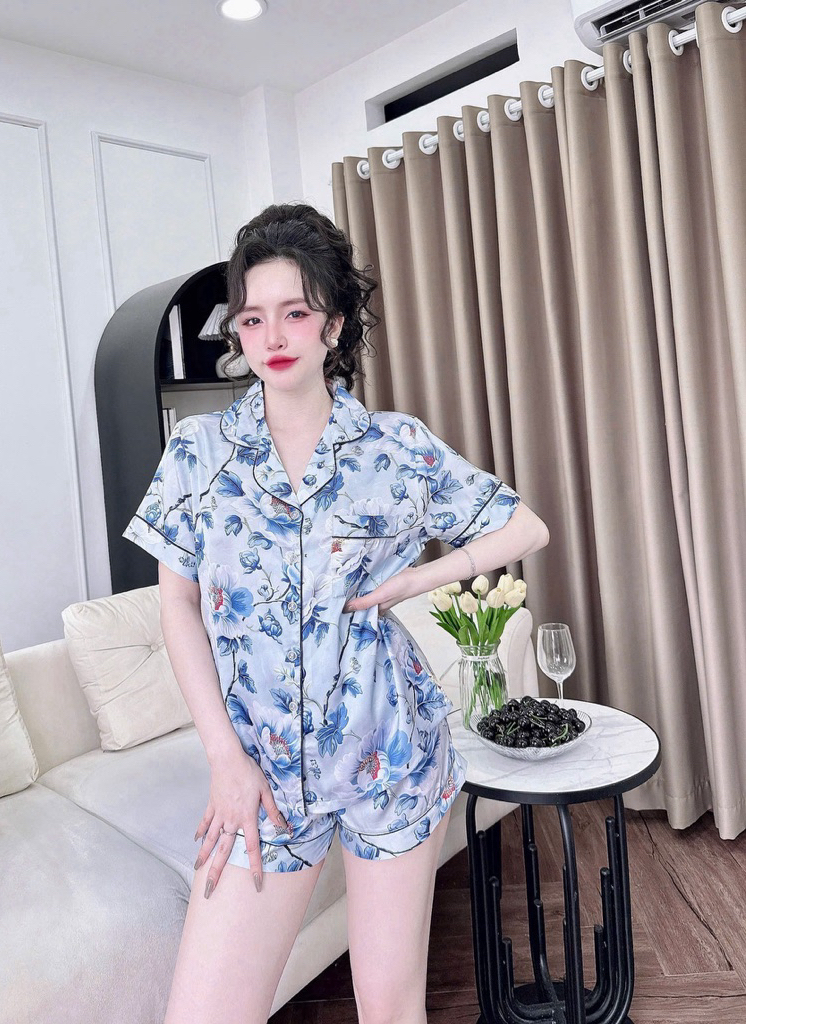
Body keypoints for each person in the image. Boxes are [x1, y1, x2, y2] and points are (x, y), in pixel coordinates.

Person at [123, 203, 549, 1024]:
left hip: (390, 753)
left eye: (295, 312)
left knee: (389, 1008)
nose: (272, 336)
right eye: (253, 317)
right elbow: (176, 603)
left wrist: (417, 581)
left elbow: (524, 527)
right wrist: (224, 758)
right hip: (260, 772)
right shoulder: (198, 453)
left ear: (334, 324)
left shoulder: (396, 448)